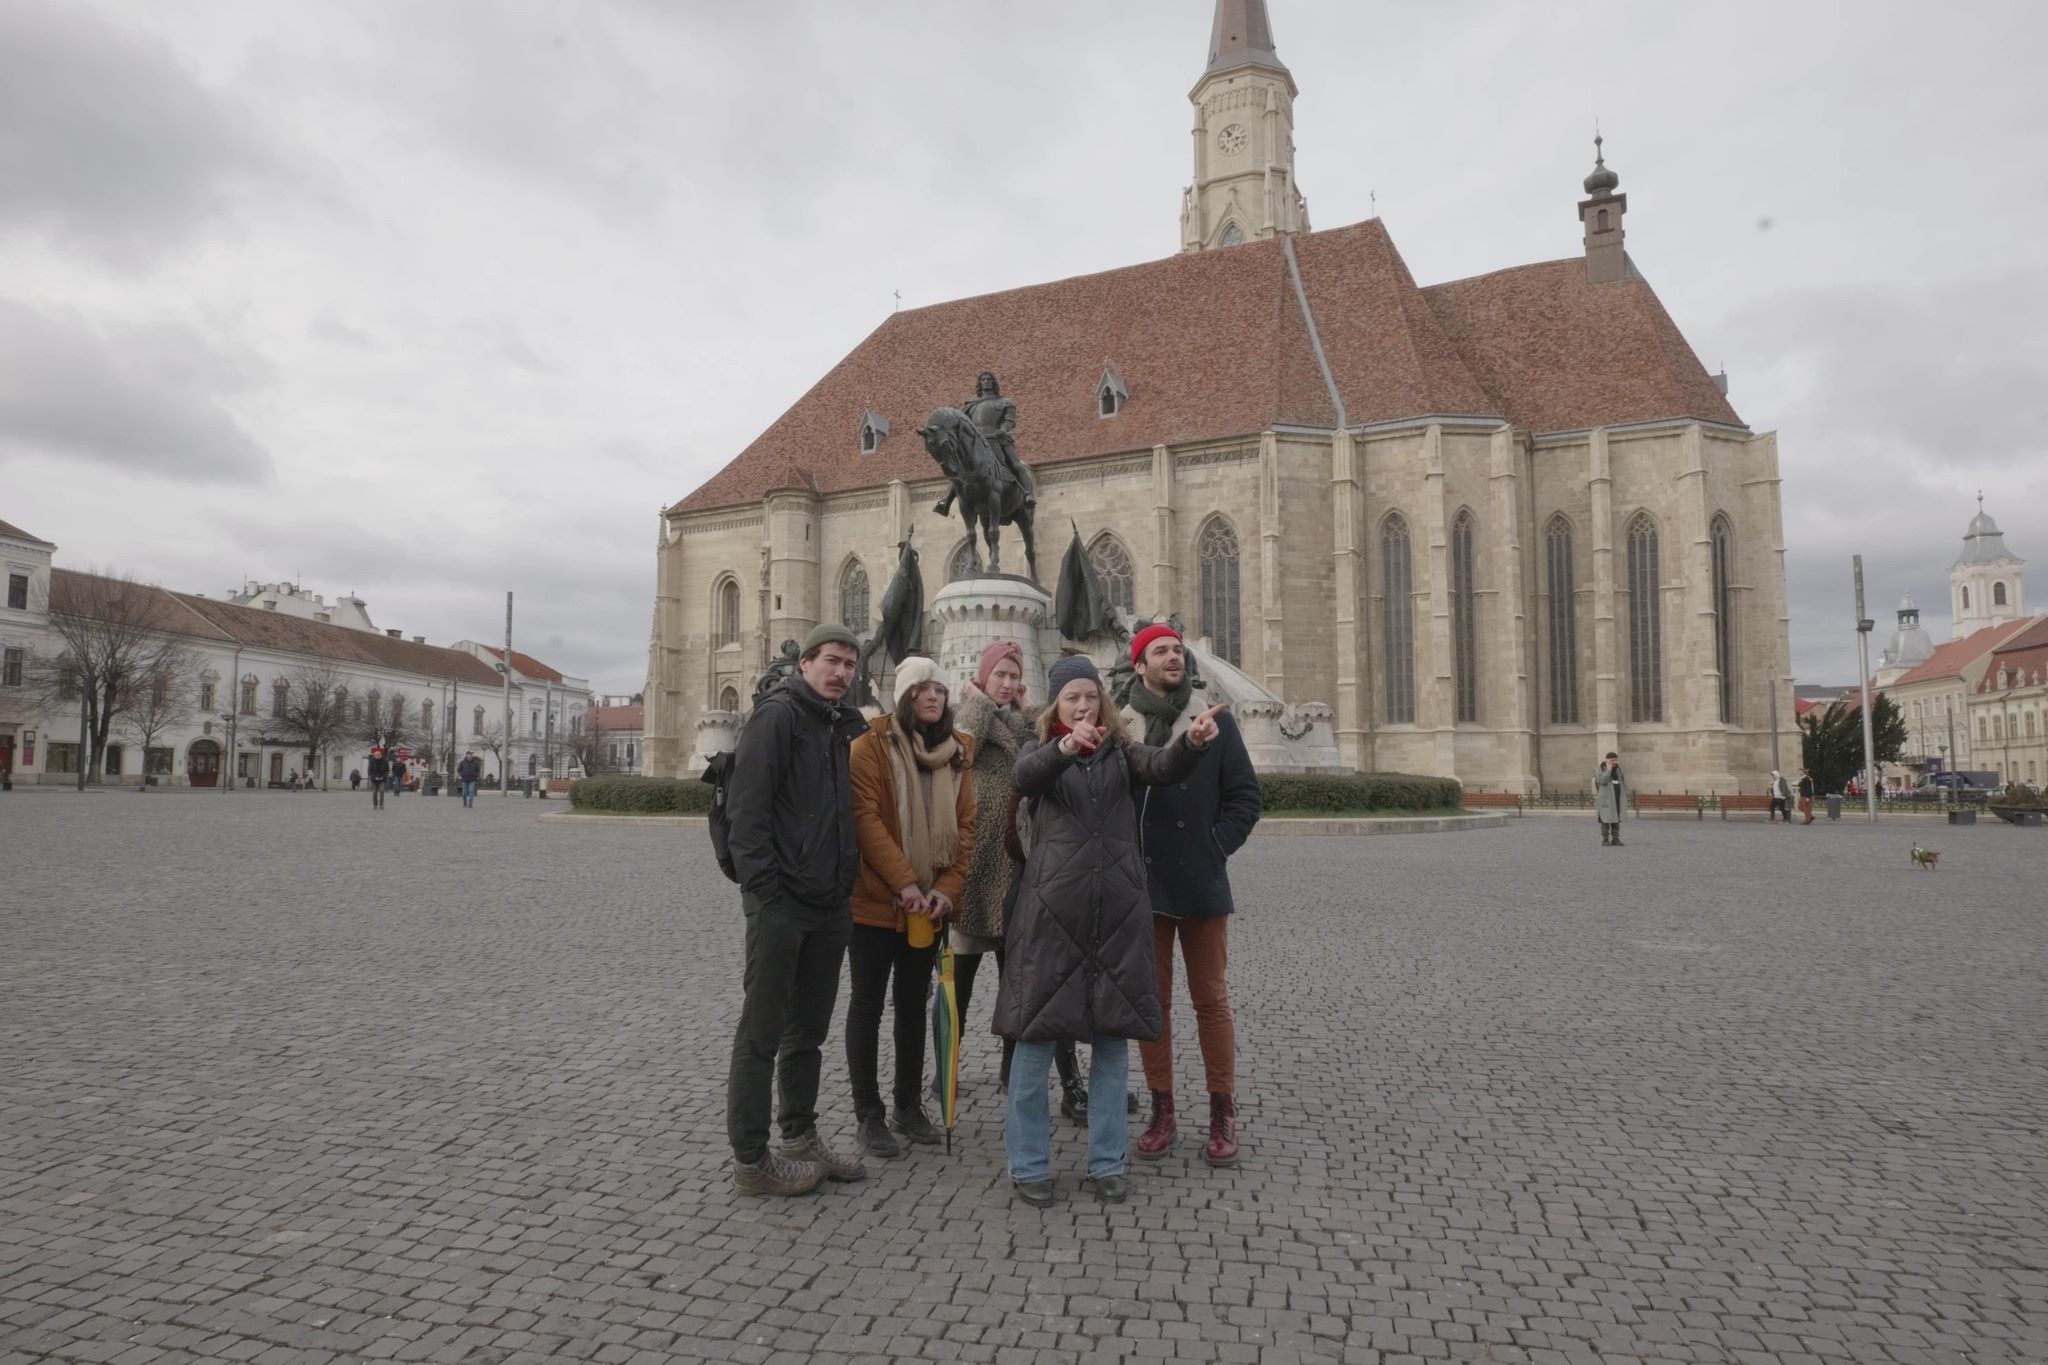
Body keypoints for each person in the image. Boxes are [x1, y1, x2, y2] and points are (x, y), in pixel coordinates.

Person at [996, 654, 1221, 1207]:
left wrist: (1191, 742)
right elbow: (1026, 778)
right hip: (1051, 916)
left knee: (1111, 1042)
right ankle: (1027, 1166)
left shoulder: (1121, 751)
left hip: (1116, 915)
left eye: (1090, 696)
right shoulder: (1037, 751)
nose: (1082, 705)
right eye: (1071, 697)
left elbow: (1162, 767)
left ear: (1101, 702)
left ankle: (1106, 1162)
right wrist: (1065, 747)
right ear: (1055, 705)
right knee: (1035, 1040)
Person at [724, 624, 870, 1196]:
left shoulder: (835, 725)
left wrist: (842, 885)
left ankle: (800, 1136)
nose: (841, 673)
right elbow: (747, 813)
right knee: (761, 1032)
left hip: (829, 902)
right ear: (805, 663)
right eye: (832, 661)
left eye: (850, 665)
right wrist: (768, 892)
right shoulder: (777, 716)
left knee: (806, 1031)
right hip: (782, 903)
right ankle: (752, 1159)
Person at [1121, 624, 1262, 1168]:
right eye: (1160, 650)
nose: (1173, 656)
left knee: (1211, 1000)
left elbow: (1246, 797)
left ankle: (1222, 1110)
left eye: (1177, 649)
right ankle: (1162, 1109)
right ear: (1139, 665)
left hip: (1200, 881)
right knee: (1151, 1004)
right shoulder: (1123, 723)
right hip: (1144, 885)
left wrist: (1215, 846)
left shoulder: (1214, 720)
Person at [951, 642, 1088, 1120]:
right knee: (957, 990)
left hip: (1020, 875)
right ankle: (944, 1074)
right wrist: (980, 700)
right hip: (973, 876)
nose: (1007, 684)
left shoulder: (1028, 728)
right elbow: (959, 742)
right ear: (983, 679)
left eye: (1014, 676)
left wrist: (1027, 710)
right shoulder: (970, 718)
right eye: (999, 676)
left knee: (1027, 986)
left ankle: (1033, 1079)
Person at [846, 657, 976, 1159]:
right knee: (868, 1004)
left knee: (914, 1006)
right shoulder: (868, 748)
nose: (933, 697)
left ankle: (907, 1104)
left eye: (940, 689)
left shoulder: (958, 752)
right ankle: (869, 1114)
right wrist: (904, 884)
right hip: (877, 902)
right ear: (903, 695)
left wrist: (945, 891)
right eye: (922, 688)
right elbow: (867, 822)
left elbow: (966, 831)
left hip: (931, 906)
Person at [1594, 752, 1625, 846]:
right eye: (1613, 760)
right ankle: (1605, 839)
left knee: (1616, 820)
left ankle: (1615, 839)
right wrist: (1608, 769)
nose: (1615, 762)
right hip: (1605, 799)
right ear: (1607, 760)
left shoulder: (1618, 769)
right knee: (1605, 820)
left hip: (1616, 798)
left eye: (1616, 760)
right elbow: (1602, 780)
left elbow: (1622, 780)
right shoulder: (1600, 768)